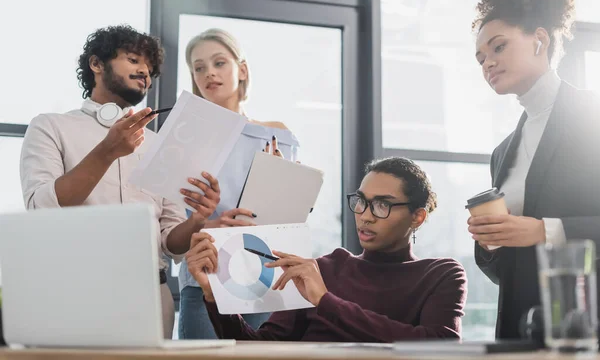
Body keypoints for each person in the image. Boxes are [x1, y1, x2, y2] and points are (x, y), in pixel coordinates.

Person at [19, 25, 221, 339]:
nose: (144, 71)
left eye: (150, 68)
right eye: (133, 60)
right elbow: (41, 207)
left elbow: (171, 242)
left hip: (154, 296)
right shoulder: (50, 127)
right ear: (97, 64)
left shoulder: (157, 144)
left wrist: (197, 219)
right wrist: (107, 151)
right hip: (77, 295)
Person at [186, 157, 467, 342]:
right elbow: (258, 349)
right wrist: (213, 295)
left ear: (417, 216)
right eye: (361, 201)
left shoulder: (442, 274)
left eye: (383, 204)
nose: (365, 215)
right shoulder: (322, 268)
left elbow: (439, 348)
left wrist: (325, 301)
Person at [470, 0, 600, 339]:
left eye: (498, 48)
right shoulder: (502, 153)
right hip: (522, 327)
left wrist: (545, 230)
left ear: (539, 40)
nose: (487, 63)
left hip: (587, 324)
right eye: (481, 58)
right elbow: (506, 269)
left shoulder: (593, 117)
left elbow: (540, 234)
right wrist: (490, 241)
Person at [177, 28, 300, 339]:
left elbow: (293, 216)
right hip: (206, 275)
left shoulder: (275, 135)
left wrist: (289, 188)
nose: (209, 73)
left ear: (241, 70)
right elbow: (171, 225)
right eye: (199, 67)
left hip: (263, 275)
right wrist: (212, 223)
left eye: (219, 63)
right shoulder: (183, 138)